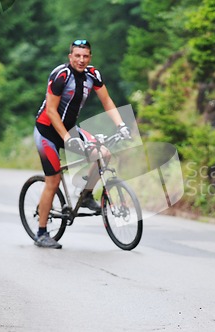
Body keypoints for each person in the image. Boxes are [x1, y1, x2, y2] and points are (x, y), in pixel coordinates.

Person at [33, 39, 130, 249]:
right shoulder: (61, 75)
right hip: (47, 131)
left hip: (70, 129)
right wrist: (68, 139)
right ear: (70, 57)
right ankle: (41, 233)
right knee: (54, 180)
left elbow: (107, 101)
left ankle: (86, 195)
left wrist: (121, 125)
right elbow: (51, 111)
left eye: (85, 56)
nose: (81, 60)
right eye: (77, 56)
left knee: (103, 154)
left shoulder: (92, 75)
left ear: (90, 57)